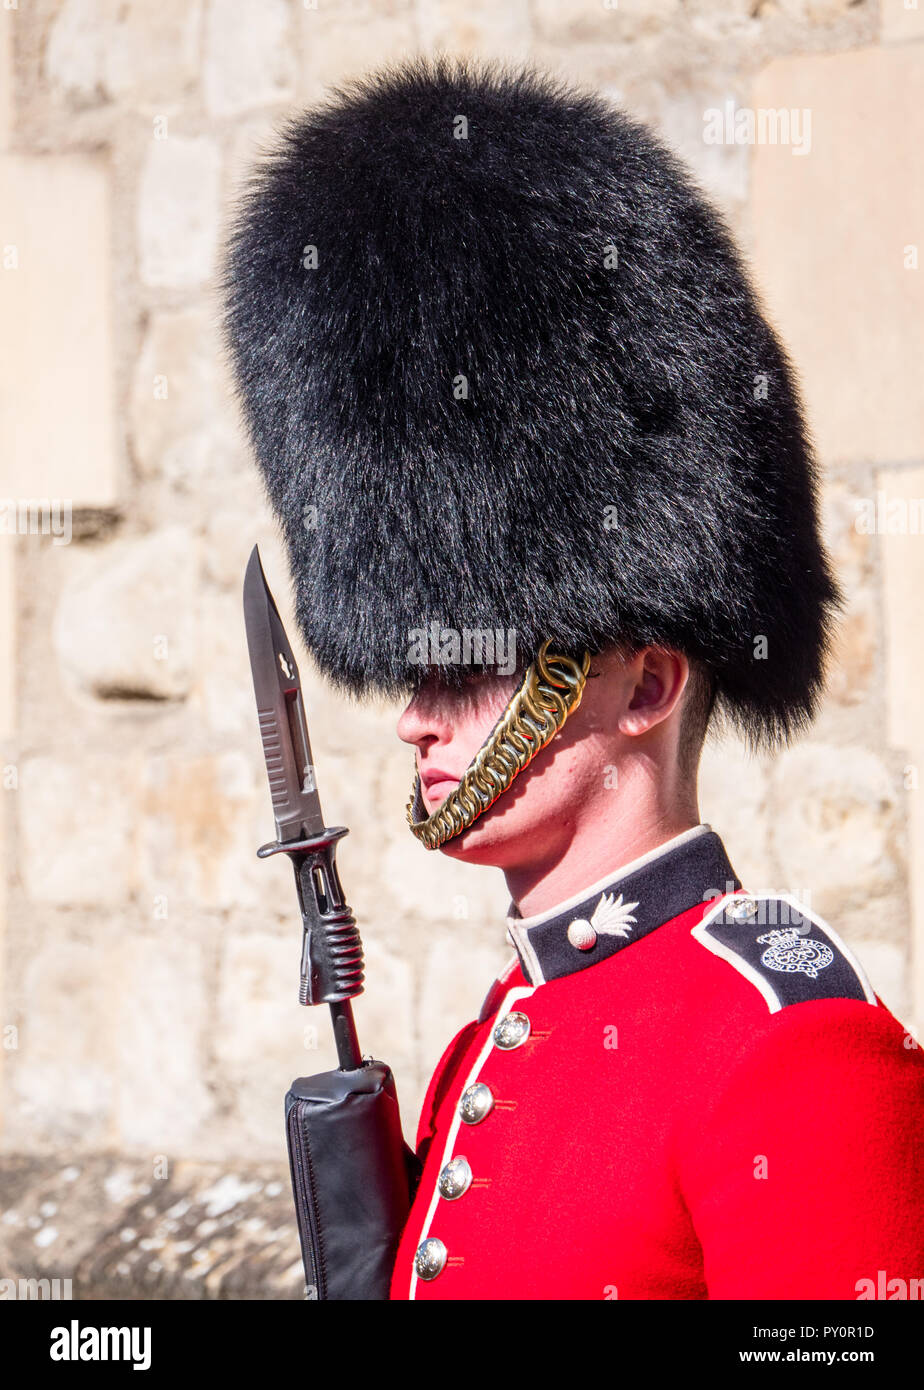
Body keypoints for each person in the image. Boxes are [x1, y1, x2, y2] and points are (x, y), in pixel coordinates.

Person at [221, 55, 924, 1300]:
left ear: (647, 685)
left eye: (466, 664)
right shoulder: (490, 1042)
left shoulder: (790, 1047)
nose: (412, 719)